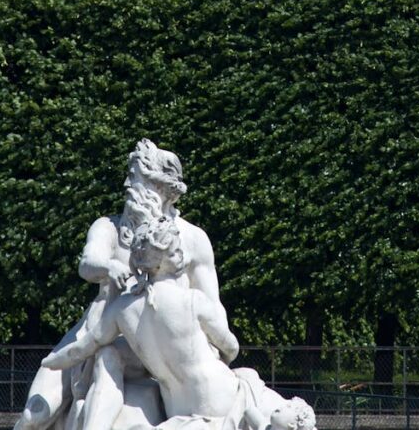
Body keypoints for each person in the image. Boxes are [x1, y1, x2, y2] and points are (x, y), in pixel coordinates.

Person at [16, 139, 230, 430]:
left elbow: (213, 306)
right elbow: (88, 263)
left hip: (152, 343)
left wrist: (214, 356)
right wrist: (108, 266)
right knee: (36, 413)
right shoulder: (109, 227)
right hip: (97, 328)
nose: (128, 184)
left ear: (163, 187)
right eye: (129, 175)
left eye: (137, 177)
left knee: (110, 355)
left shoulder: (192, 238)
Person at [42, 217, 315, 430]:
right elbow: (231, 347)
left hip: (179, 412)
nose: (181, 256)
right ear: (161, 262)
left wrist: (50, 362)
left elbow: (82, 348)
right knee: (280, 407)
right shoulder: (192, 300)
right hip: (222, 397)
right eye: (175, 252)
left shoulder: (121, 309)